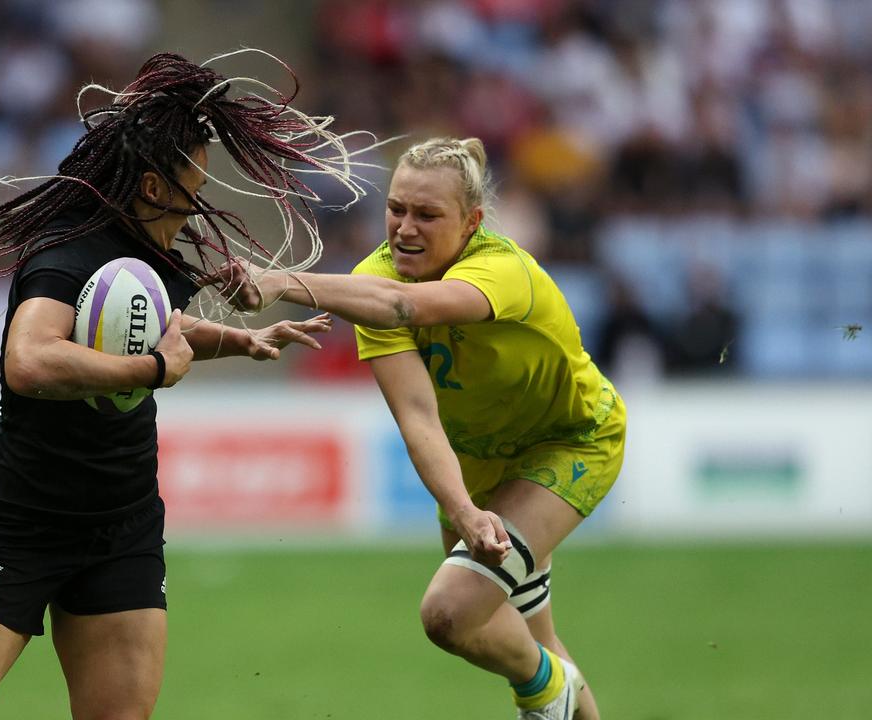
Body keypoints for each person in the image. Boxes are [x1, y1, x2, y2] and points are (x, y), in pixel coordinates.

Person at [0, 51, 365, 720]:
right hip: (22, 519)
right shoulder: (68, 252)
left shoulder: (158, 262)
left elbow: (156, 333)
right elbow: (29, 361)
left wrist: (235, 340)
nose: (196, 206)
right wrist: (150, 373)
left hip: (121, 519)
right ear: (150, 187)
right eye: (190, 189)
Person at [216, 137, 626, 719]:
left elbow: (404, 307)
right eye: (396, 209)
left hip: (570, 442)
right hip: (474, 462)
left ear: (471, 222)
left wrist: (282, 281)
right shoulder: (372, 279)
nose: (405, 228)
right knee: (526, 640)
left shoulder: (504, 268)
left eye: (427, 215)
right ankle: (552, 684)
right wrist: (463, 509)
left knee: (450, 613)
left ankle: (546, 683)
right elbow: (417, 415)